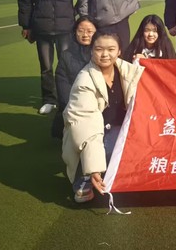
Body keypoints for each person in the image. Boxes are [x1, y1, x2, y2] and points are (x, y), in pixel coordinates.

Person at [62, 31, 144, 203]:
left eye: (111, 49)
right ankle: (84, 175)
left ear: (119, 51)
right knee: (107, 143)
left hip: (120, 128)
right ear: (91, 51)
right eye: (99, 49)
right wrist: (93, 169)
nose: (105, 54)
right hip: (93, 132)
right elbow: (86, 126)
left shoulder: (128, 71)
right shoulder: (84, 80)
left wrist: (146, 62)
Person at [18, 0, 80, 115]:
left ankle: (67, 98)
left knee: (65, 65)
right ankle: (49, 100)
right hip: (42, 29)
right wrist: (26, 25)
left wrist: (73, 14)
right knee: (46, 67)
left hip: (65, 29)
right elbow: (25, 0)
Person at [52, 16, 97, 139]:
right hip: (74, 105)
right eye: (81, 31)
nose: (85, 35)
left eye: (90, 31)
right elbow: (62, 83)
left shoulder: (101, 55)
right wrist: (72, 106)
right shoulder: (66, 56)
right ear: (74, 32)